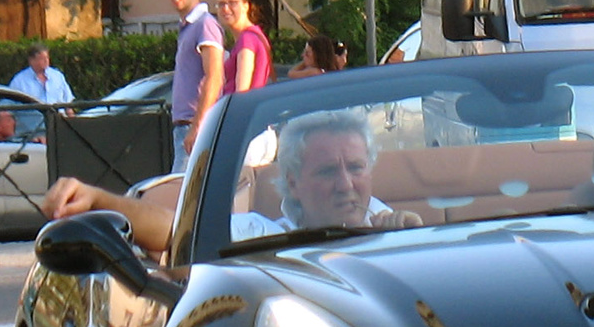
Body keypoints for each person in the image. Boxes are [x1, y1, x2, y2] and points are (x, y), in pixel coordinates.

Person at [41, 108, 420, 255]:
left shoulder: (393, 226)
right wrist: (95, 199)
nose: (345, 184)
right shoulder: (261, 233)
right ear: (293, 182)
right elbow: (175, 233)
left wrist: (410, 238)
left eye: (355, 168)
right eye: (326, 171)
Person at [167, 0, 224, 171]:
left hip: (195, 125)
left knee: (180, 196)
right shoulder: (187, 26)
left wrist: (197, 126)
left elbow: (214, 77)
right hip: (184, 126)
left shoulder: (205, 24)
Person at [215, 0, 273, 95]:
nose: (226, 9)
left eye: (232, 3)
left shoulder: (247, 39)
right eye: (221, 4)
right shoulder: (255, 36)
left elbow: (241, 91)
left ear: (246, 6)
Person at [8, 43, 74, 106]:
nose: (46, 61)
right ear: (31, 60)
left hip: (59, 115)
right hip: (34, 116)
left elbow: (67, 101)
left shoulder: (57, 76)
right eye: (42, 58)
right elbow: (9, 105)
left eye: (47, 58)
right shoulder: (19, 81)